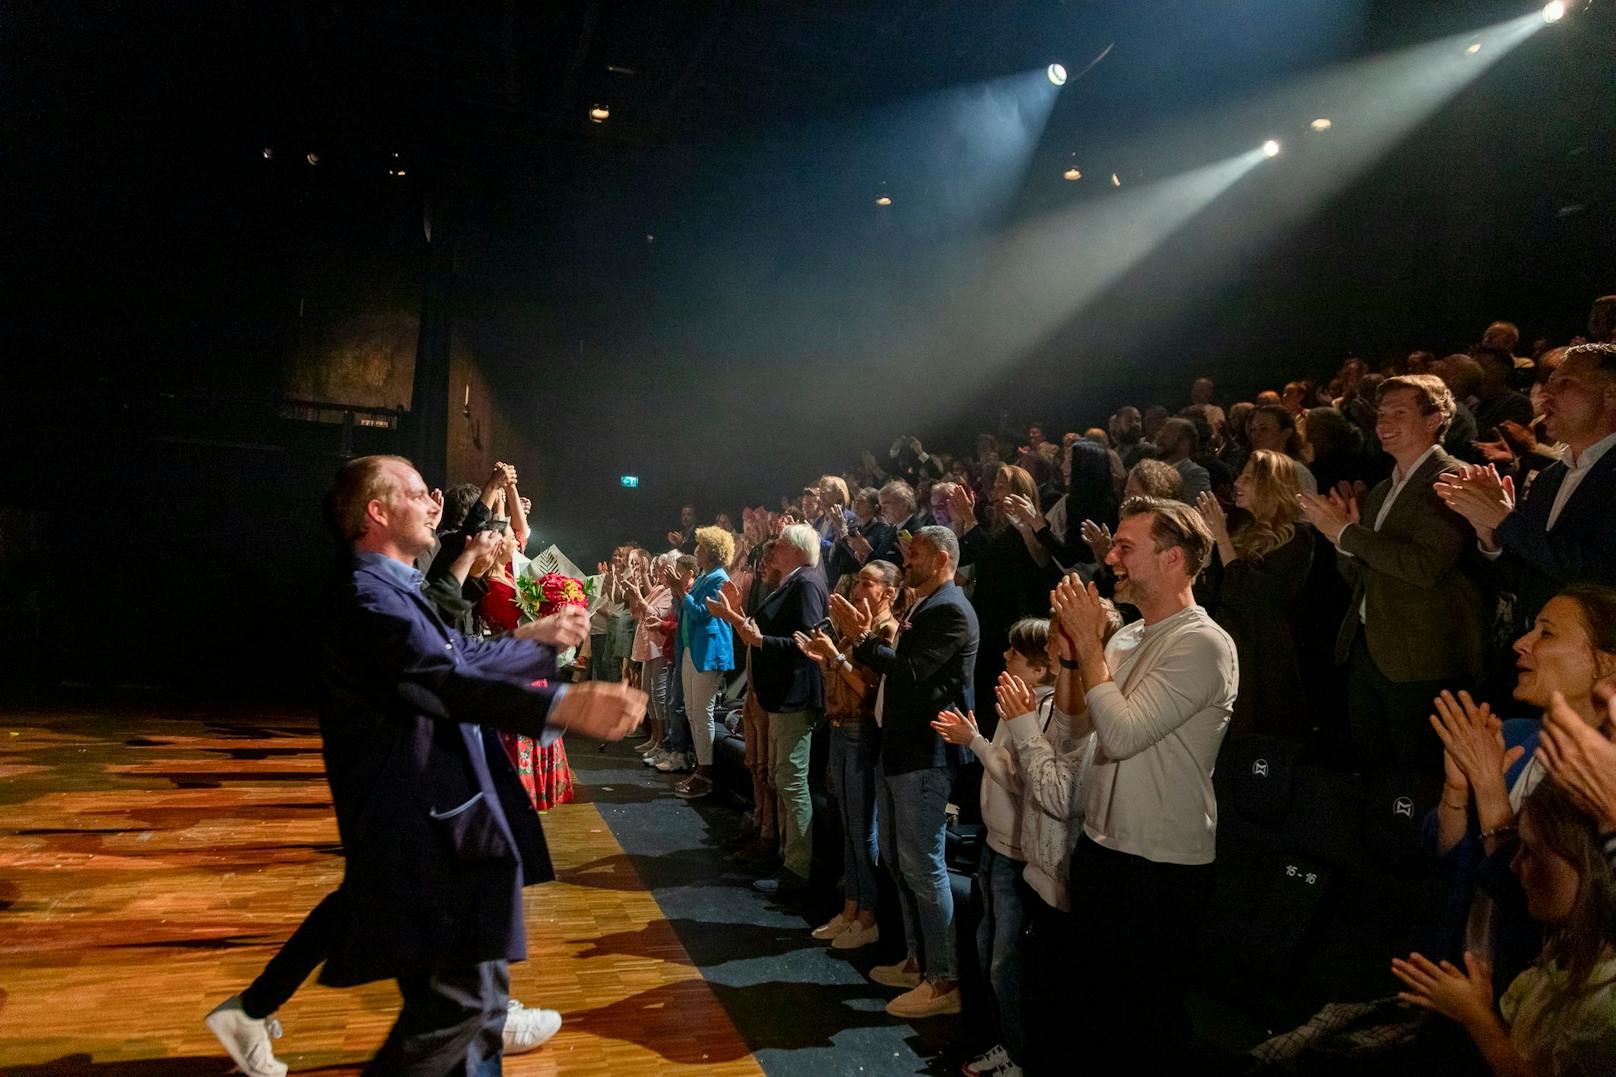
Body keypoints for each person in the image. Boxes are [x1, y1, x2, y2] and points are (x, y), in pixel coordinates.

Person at [205, 455, 644, 1077]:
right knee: (459, 1009)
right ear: (377, 512)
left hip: (442, 828)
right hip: (421, 832)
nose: (433, 499)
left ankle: (255, 1010)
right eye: (416, 492)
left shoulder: (393, 585)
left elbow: (456, 651)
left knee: (476, 1010)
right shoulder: (366, 596)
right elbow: (440, 676)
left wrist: (531, 639)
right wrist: (563, 703)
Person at [1044, 497, 1238, 1065]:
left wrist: (1089, 641)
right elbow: (1076, 726)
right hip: (1102, 850)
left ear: (1173, 558)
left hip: (1161, 868)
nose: (1111, 557)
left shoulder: (1203, 644)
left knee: (1144, 1028)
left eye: (1125, 547)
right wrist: (1078, 651)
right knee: (1095, 1015)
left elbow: (1124, 735)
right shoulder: (1127, 638)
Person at [829, 525, 979, 1019]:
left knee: (923, 866)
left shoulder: (951, 609)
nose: (905, 560)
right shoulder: (926, 604)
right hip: (899, 751)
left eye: (913, 554)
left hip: (924, 756)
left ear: (940, 558)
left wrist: (862, 639)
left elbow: (911, 674)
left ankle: (945, 981)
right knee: (896, 859)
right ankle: (917, 962)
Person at [1300, 374, 1482, 777]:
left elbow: (1425, 567)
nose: (1384, 423)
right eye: (1381, 414)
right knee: (1373, 776)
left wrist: (1346, 533)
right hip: (1370, 649)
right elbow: (1360, 573)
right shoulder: (1383, 489)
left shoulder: (1451, 478)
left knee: (1417, 783)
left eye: (1399, 413)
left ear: (1435, 419)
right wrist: (1343, 541)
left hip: (1421, 657)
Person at [1393, 777, 1616, 1075]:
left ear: (1592, 868)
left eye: (1532, 853)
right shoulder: (1569, 943)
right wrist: (1482, 1007)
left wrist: (1476, 1018)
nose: (1514, 865)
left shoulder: (1607, 1004)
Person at [930, 617, 1058, 1077]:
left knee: (1006, 962)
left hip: (1018, 854)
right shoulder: (1016, 705)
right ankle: (1002, 1042)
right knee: (987, 952)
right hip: (994, 844)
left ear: (1041, 670)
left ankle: (1020, 1056)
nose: (1004, 657)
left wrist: (976, 742)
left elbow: (1024, 780)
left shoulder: (1046, 712)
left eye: (1015, 655)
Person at [1437, 343, 1616, 636]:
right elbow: (1524, 577)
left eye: (1566, 383)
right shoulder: (1549, 479)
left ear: (1611, 394)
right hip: (1531, 648)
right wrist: (1490, 536)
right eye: (1549, 383)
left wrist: (1505, 519)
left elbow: (1599, 574)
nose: (1547, 394)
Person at [707, 523, 827, 890]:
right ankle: (785, 857)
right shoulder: (793, 580)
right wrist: (737, 617)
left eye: (781, 544)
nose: (773, 549)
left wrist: (760, 641)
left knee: (791, 782)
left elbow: (808, 643)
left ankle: (797, 870)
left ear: (799, 549)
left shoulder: (806, 583)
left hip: (794, 695)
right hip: (779, 695)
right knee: (781, 778)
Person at [795, 560, 902, 949]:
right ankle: (851, 908)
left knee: (861, 828)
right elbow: (839, 681)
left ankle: (868, 915)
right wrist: (823, 658)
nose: (858, 589)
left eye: (868, 583)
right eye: (858, 581)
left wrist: (835, 658)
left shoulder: (885, 631)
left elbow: (869, 692)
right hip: (840, 730)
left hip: (861, 734)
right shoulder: (859, 629)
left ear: (888, 592)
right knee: (846, 825)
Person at [1196, 450, 1314, 743]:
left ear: (1271, 485)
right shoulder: (1241, 530)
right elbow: (1210, 595)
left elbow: (1252, 597)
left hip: (1262, 664)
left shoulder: (1298, 538)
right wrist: (1210, 546)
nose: (1238, 482)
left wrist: (1221, 538)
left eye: (1249, 477)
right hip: (1225, 650)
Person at [674, 526, 735, 796]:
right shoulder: (703, 577)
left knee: (701, 712)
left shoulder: (719, 578)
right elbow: (687, 611)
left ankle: (706, 773)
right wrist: (678, 591)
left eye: (700, 547)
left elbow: (702, 614)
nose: (696, 551)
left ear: (711, 551)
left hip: (708, 651)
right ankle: (699, 767)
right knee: (692, 711)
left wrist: (681, 592)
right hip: (692, 648)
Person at [1154, 417, 1211, 502]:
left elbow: (1193, 511)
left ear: (1184, 443)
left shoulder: (1195, 474)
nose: (1158, 440)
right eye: (1160, 435)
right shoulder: (1151, 468)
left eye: (1166, 436)